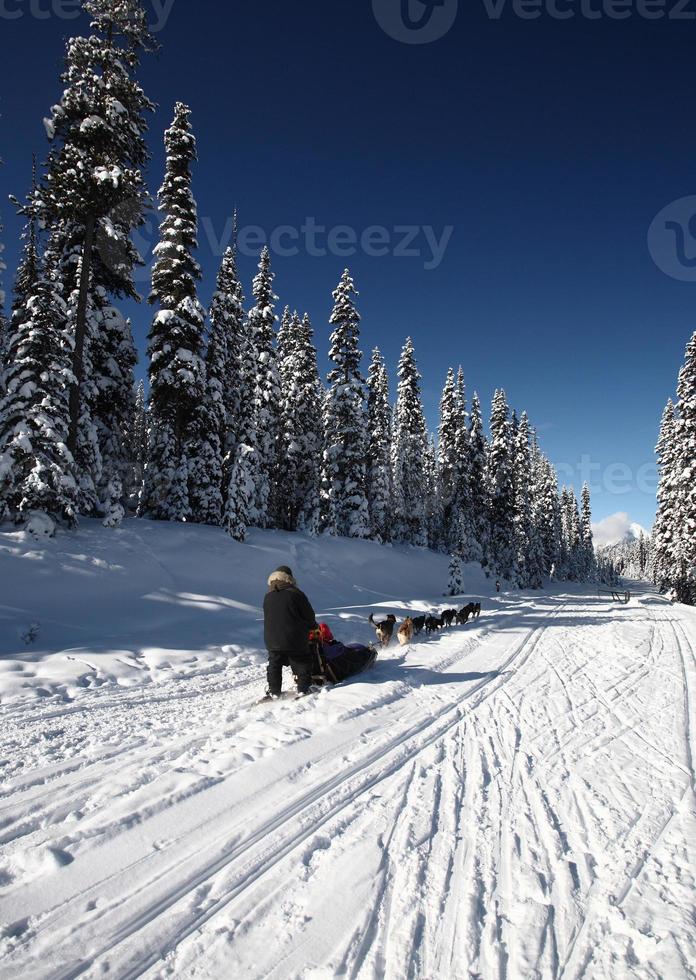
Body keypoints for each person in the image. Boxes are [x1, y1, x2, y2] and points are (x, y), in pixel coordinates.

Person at [263, 565, 318, 698]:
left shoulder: (268, 595)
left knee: (274, 663)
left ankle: (274, 691)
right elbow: (309, 615)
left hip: (272, 638)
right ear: (290, 578)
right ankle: (303, 689)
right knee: (302, 660)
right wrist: (313, 626)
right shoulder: (296, 594)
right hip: (294, 637)